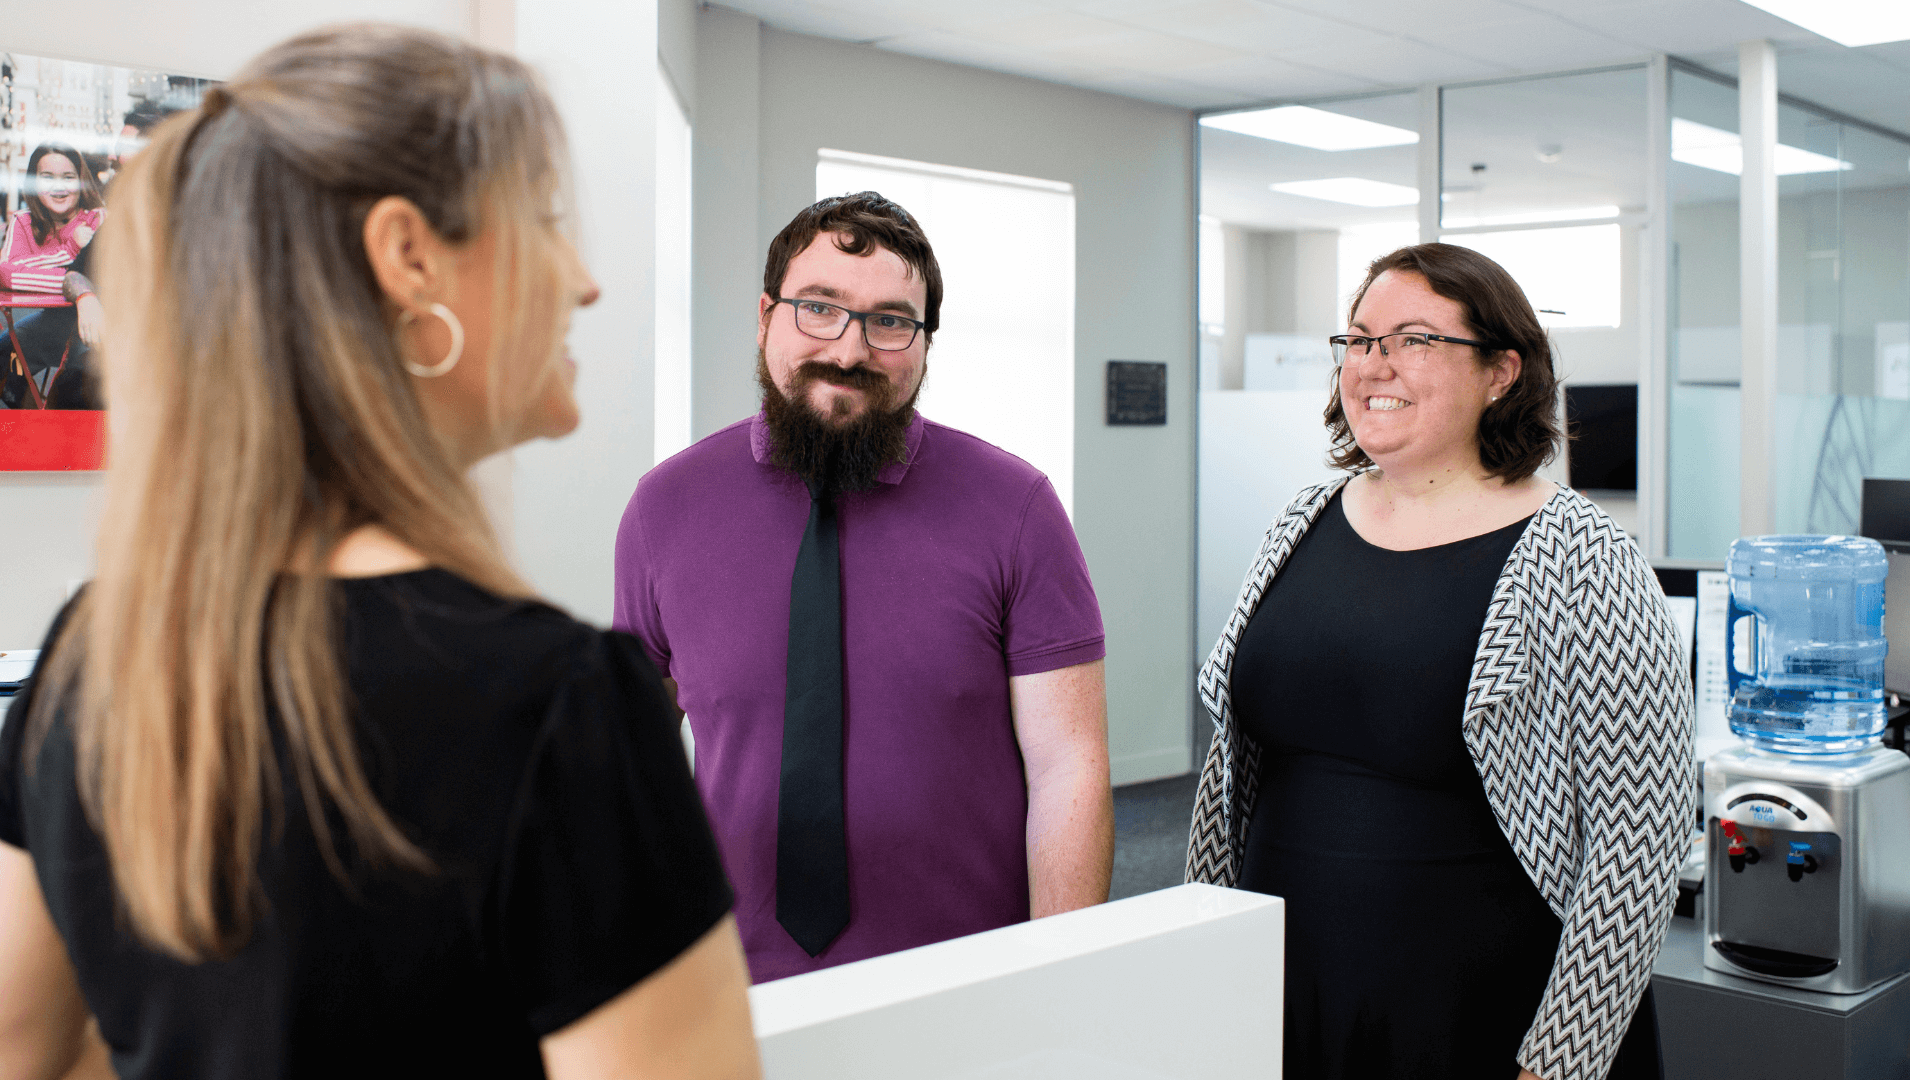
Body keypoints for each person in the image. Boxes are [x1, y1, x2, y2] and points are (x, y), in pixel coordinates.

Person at [0, 25, 760, 1080]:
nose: (584, 281)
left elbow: (23, 1048)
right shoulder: (558, 706)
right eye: (542, 221)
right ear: (408, 259)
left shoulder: (90, 654)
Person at [1186, 243, 1692, 1080]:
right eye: (1359, 339)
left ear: (1501, 371)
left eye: (1415, 339)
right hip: (1287, 995)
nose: (1373, 365)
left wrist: (1556, 1063)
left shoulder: (1583, 556)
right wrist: (1204, 969)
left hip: (1485, 1019)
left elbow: (1638, 843)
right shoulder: (1300, 524)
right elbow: (1232, 777)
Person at [614, 191, 1114, 983]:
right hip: (728, 987)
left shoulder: (1017, 508)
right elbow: (629, 764)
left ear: (923, 345)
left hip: (964, 976)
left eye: (890, 321)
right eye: (819, 308)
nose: (850, 349)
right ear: (765, 317)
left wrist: (1056, 976)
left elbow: (1069, 768)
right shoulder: (664, 508)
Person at [0, 142, 105, 409]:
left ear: (81, 182)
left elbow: (96, 280)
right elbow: (6, 274)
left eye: (68, 177)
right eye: (47, 178)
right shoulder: (23, 221)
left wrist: (36, 271)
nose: (59, 187)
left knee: (76, 384)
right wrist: (71, 255)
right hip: (48, 326)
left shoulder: (97, 219)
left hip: (88, 324)